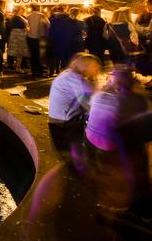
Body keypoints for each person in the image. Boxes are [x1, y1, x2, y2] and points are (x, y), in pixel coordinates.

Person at [84, 67, 150, 214]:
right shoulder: (138, 99)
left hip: (90, 141)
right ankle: (140, 206)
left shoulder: (99, 94)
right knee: (140, 150)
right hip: (110, 145)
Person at [48, 53, 101, 150]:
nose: (98, 70)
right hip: (63, 124)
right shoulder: (75, 80)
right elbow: (90, 105)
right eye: (95, 67)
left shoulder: (69, 74)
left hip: (58, 120)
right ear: (86, 66)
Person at [27, 4, 49, 78]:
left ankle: (33, 71)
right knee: (40, 55)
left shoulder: (28, 16)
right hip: (39, 38)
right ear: (38, 8)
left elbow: (27, 27)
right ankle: (39, 72)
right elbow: (48, 24)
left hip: (30, 38)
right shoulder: (41, 15)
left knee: (33, 55)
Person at [7, 6, 30, 73]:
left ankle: (17, 66)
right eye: (22, 9)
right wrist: (27, 28)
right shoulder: (17, 18)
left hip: (16, 36)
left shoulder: (15, 17)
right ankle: (18, 67)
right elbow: (24, 27)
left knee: (18, 53)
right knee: (20, 52)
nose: (23, 11)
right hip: (19, 36)